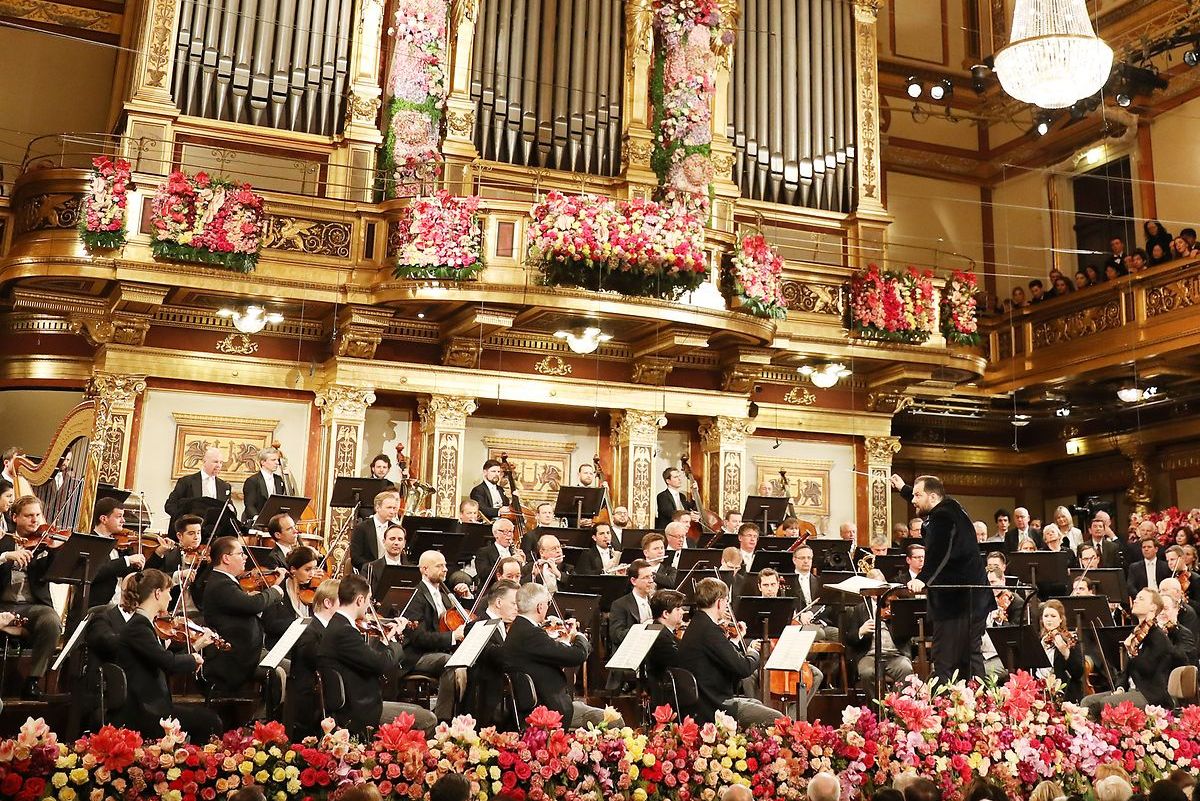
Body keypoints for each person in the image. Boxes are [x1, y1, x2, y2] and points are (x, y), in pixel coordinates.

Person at [891, 474, 995, 681]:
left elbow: (940, 551)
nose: (913, 500)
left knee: (946, 660)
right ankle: (979, 704)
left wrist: (923, 578)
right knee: (968, 658)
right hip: (970, 599)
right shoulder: (950, 507)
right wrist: (903, 488)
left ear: (931, 497)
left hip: (958, 601)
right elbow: (926, 494)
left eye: (916, 495)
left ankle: (947, 707)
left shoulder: (942, 517)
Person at [317, 573, 436, 737]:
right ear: (359, 600)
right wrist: (394, 640)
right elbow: (382, 664)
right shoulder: (344, 631)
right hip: (358, 710)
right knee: (427, 719)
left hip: (360, 703)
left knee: (419, 712)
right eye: (368, 600)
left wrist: (383, 641)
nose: (368, 605)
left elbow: (369, 659)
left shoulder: (340, 625)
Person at [115, 569, 223, 741]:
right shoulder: (138, 628)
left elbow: (163, 659)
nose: (171, 598)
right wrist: (192, 658)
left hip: (153, 705)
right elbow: (168, 662)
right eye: (168, 592)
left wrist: (196, 646)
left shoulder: (144, 625)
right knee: (209, 721)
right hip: (143, 709)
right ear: (157, 593)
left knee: (208, 719)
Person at [501, 582, 621, 728]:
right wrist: (578, 635)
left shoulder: (518, 628)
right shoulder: (531, 634)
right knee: (615, 720)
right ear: (540, 607)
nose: (547, 607)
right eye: (547, 604)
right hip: (550, 709)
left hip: (544, 703)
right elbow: (577, 655)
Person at [675, 577, 777, 727]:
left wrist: (736, 641)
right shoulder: (709, 630)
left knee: (756, 703)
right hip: (713, 706)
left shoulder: (698, 624)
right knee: (776, 718)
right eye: (726, 601)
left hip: (704, 700)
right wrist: (753, 651)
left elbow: (725, 657)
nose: (726, 606)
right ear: (719, 602)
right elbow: (744, 668)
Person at [200, 535, 287, 694]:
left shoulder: (225, 582)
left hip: (249, 654)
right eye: (240, 553)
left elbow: (243, 606)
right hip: (238, 659)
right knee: (284, 673)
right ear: (226, 558)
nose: (245, 556)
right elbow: (254, 605)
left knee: (293, 668)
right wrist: (275, 590)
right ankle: (267, 717)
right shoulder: (220, 584)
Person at [1083, 588, 1188, 716]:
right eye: (1136, 598)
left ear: (1153, 608)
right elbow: (1125, 672)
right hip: (1130, 689)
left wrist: (1131, 652)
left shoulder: (1158, 636)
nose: (1136, 601)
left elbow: (1146, 668)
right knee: (1087, 702)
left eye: (1141, 598)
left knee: (1107, 703)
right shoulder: (1137, 633)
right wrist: (1120, 688)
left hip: (1149, 694)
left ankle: (1111, 735)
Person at [0, 495, 65, 698]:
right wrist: (6, 557)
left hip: (31, 606)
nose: (35, 520)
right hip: (3, 604)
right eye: (29, 516)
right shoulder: (3, 541)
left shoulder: (45, 543)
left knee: (51, 621)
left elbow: (59, 574)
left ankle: (34, 680)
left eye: (38, 515)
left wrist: (54, 550)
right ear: (15, 517)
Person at [406, 549, 468, 720]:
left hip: (439, 650)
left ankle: (464, 714)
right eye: (439, 566)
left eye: (445, 565)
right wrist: (451, 637)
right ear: (424, 569)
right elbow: (418, 637)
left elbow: (457, 618)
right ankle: (443, 719)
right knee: (451, 663)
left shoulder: (444, 596)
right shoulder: (415, 596)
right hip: (418, 654)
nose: (445, 569)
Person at [843, 570, 913, 699]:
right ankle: (875, 708)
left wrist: (898, 622)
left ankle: (896, 708)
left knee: (906, 669)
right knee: (866, 672)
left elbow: (908, 635)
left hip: (895, 654)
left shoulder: (896, 605)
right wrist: (861, 631)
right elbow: (849, 639)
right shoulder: (860, 609)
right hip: (870, 655)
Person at [284, 578, 339, 740]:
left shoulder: (322, 629)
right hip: (310, 709)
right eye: (342, 604)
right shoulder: (309, 630)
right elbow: (320, 661)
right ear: (328, 603)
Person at [460, 579, 519, 727]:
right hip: (486, 707)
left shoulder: (510, 627)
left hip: (507, 699)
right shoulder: (475, 626)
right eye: (514, 603)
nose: (518, 608)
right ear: (498, 603)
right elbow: (497, 656)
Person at [88, 496, 150, 605]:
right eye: (119, 516)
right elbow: (95, 572)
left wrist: (136, 567)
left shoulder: (121, 544)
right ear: (103, 519)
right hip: (97, 606)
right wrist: (127, 560)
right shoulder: (90, 542)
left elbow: (129, 574)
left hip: (121, 605)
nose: (123, 521)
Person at [262, 546, 318, 649]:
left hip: (304, 646)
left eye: (314, 569)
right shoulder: (278, 589)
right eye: (307, 569)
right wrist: (299, 624)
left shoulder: (313, 590)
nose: (312, 574)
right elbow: (270, 624)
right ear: (293, 569)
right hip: (280, 647)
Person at [164, 446, 231, 531]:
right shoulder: (186, 481)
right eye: (215, 462)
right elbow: (170, 505)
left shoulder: (224, 486)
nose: (219, 465)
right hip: (186, 532)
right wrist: (184, 522)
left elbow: (229, 509)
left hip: (213, 534)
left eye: (221, 462)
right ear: (204, 462)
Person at [1036, 599, 1086, 703]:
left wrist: (1066, 652)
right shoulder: (1039, 640)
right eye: (1046, 616)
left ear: (1060, 620)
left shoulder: (1069, 639)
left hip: (1063, 693)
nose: (1049, 619)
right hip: (1039, 689)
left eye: (1053, 616)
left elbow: (1078, 672)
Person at [790, 544, 838, 641]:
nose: (806, 561)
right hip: (798, 624)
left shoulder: (819, 581)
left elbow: (826, 606)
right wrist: (799, 617)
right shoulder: (788, 581)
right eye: (802, 558)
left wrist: (811, 613)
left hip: (819, 622)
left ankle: (826, 657)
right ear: (794, 560)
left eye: (809, 558)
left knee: (838, 634)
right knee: (819, 634)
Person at [350, 490, 401, 572]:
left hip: (392, 572)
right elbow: (356, 558)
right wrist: (374, 569)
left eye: (394, 508)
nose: (392, 512)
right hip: (369, 574)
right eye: (389, 508)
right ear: (377, 508)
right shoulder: (361, 528)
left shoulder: (396, 528)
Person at [364, 523, 408, 601]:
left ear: (404, 543)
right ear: (384, 542)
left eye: (400, 539)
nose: (396, 543)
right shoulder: (370, 568)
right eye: (392, 539)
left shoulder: (412, 569)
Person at [242, 447, 286, 523]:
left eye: (277, 460)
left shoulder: (279, 480)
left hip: (274, 522)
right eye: (273, 460)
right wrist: (257, 519)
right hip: (256, 522)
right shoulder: (252, 481)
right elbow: (249, 505)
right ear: (263, 462)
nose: (277, 463)